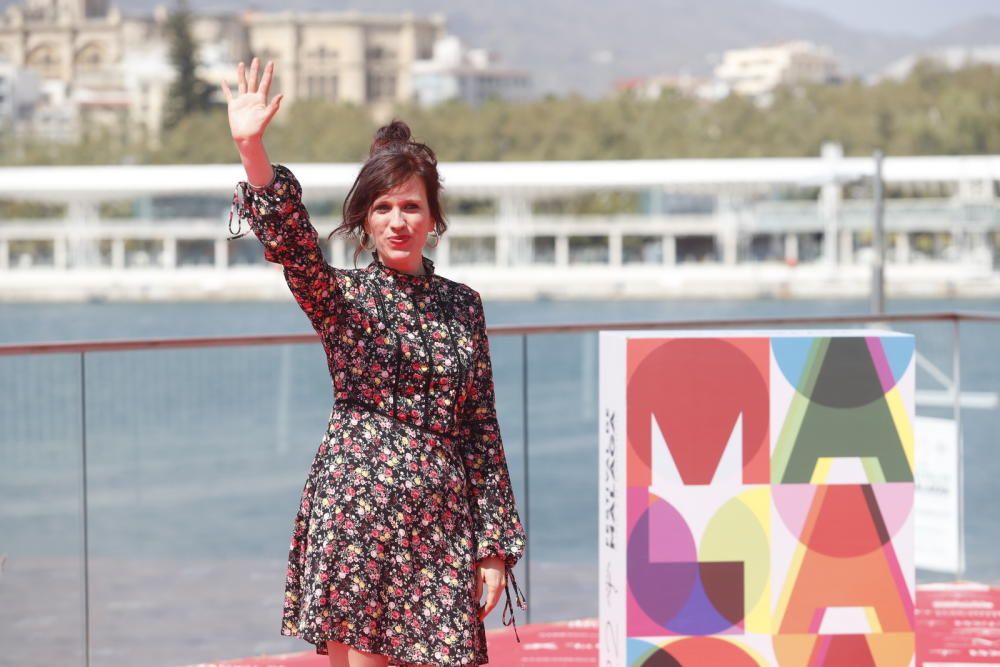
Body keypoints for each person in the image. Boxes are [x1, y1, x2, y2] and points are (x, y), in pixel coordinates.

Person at [221, 57, 527, 667]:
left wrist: (493, 545)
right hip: (357, 512)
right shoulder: (342, 298)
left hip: (442, 521)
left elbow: (480, 429)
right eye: (383, 208)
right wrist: (251, 149)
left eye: (411, 207)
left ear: (433, 219)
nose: (397, 221)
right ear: (364, 219)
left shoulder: (464, 307)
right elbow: (293, 244)